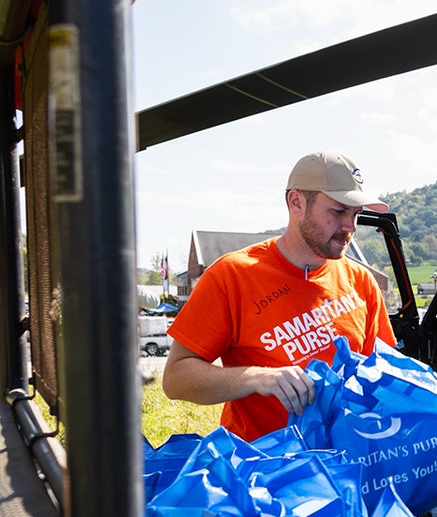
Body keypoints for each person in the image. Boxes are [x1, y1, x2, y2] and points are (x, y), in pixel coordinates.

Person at [164, 151, 396, 441]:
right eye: (338, 211)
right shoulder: (231, 275)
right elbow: (176, 379)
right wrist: (258, 378)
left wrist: (419, 384)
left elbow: (386, 366)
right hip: (265, 471)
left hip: (349, 462)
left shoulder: (360, 279)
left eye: (356, 214)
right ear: (296, 202)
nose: (350, 226)